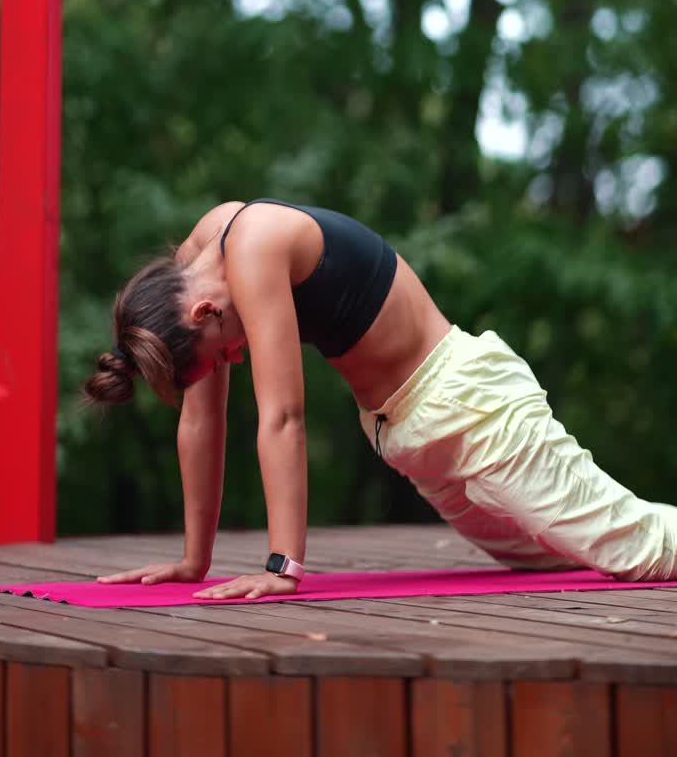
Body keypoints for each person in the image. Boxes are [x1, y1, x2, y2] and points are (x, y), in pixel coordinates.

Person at [85, 197, 677, 599]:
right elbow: (200, 420)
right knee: (557, 558)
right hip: (412, 439)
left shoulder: (252, 243)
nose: (230, 362)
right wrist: (194, 563)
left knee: (638, 551)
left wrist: (283, 567)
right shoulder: (196, 263)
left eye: (220, 354)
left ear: (204, 312)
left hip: (473, 410)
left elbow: (284, 416)